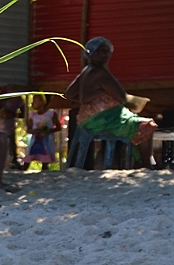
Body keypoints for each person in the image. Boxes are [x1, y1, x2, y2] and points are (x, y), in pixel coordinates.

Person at [64, 36, 157, 168]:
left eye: (107, 51)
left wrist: (91, 99)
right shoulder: (101, 73)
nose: (106, 55)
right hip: (103, 120)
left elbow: (69, 94)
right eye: (101, 51)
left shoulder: (86, 71)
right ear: (91, 53)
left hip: (87, 120)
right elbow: (122, 97)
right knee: (145, 126)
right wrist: (100, 94)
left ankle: (141, 164)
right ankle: (146, 165)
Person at [23, 94, 61, 170]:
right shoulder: (33, 115)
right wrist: (33, 131)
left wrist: (49, 130)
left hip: (47, 141)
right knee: (29, 157)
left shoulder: (51, 114)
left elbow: (58, 127)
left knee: (45, 157)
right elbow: (28, 130)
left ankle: (44, 169)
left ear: (42, 101)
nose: (32, 103)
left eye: (35, 101)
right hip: (35, 140)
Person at [0, 91, 25, 170]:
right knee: (0, 141)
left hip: (9, 122)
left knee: (10, 142)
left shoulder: (19, 99)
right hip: (0, 122)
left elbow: (23, 114)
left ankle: (13, 160)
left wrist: (12, 114)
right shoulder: (2, 97)